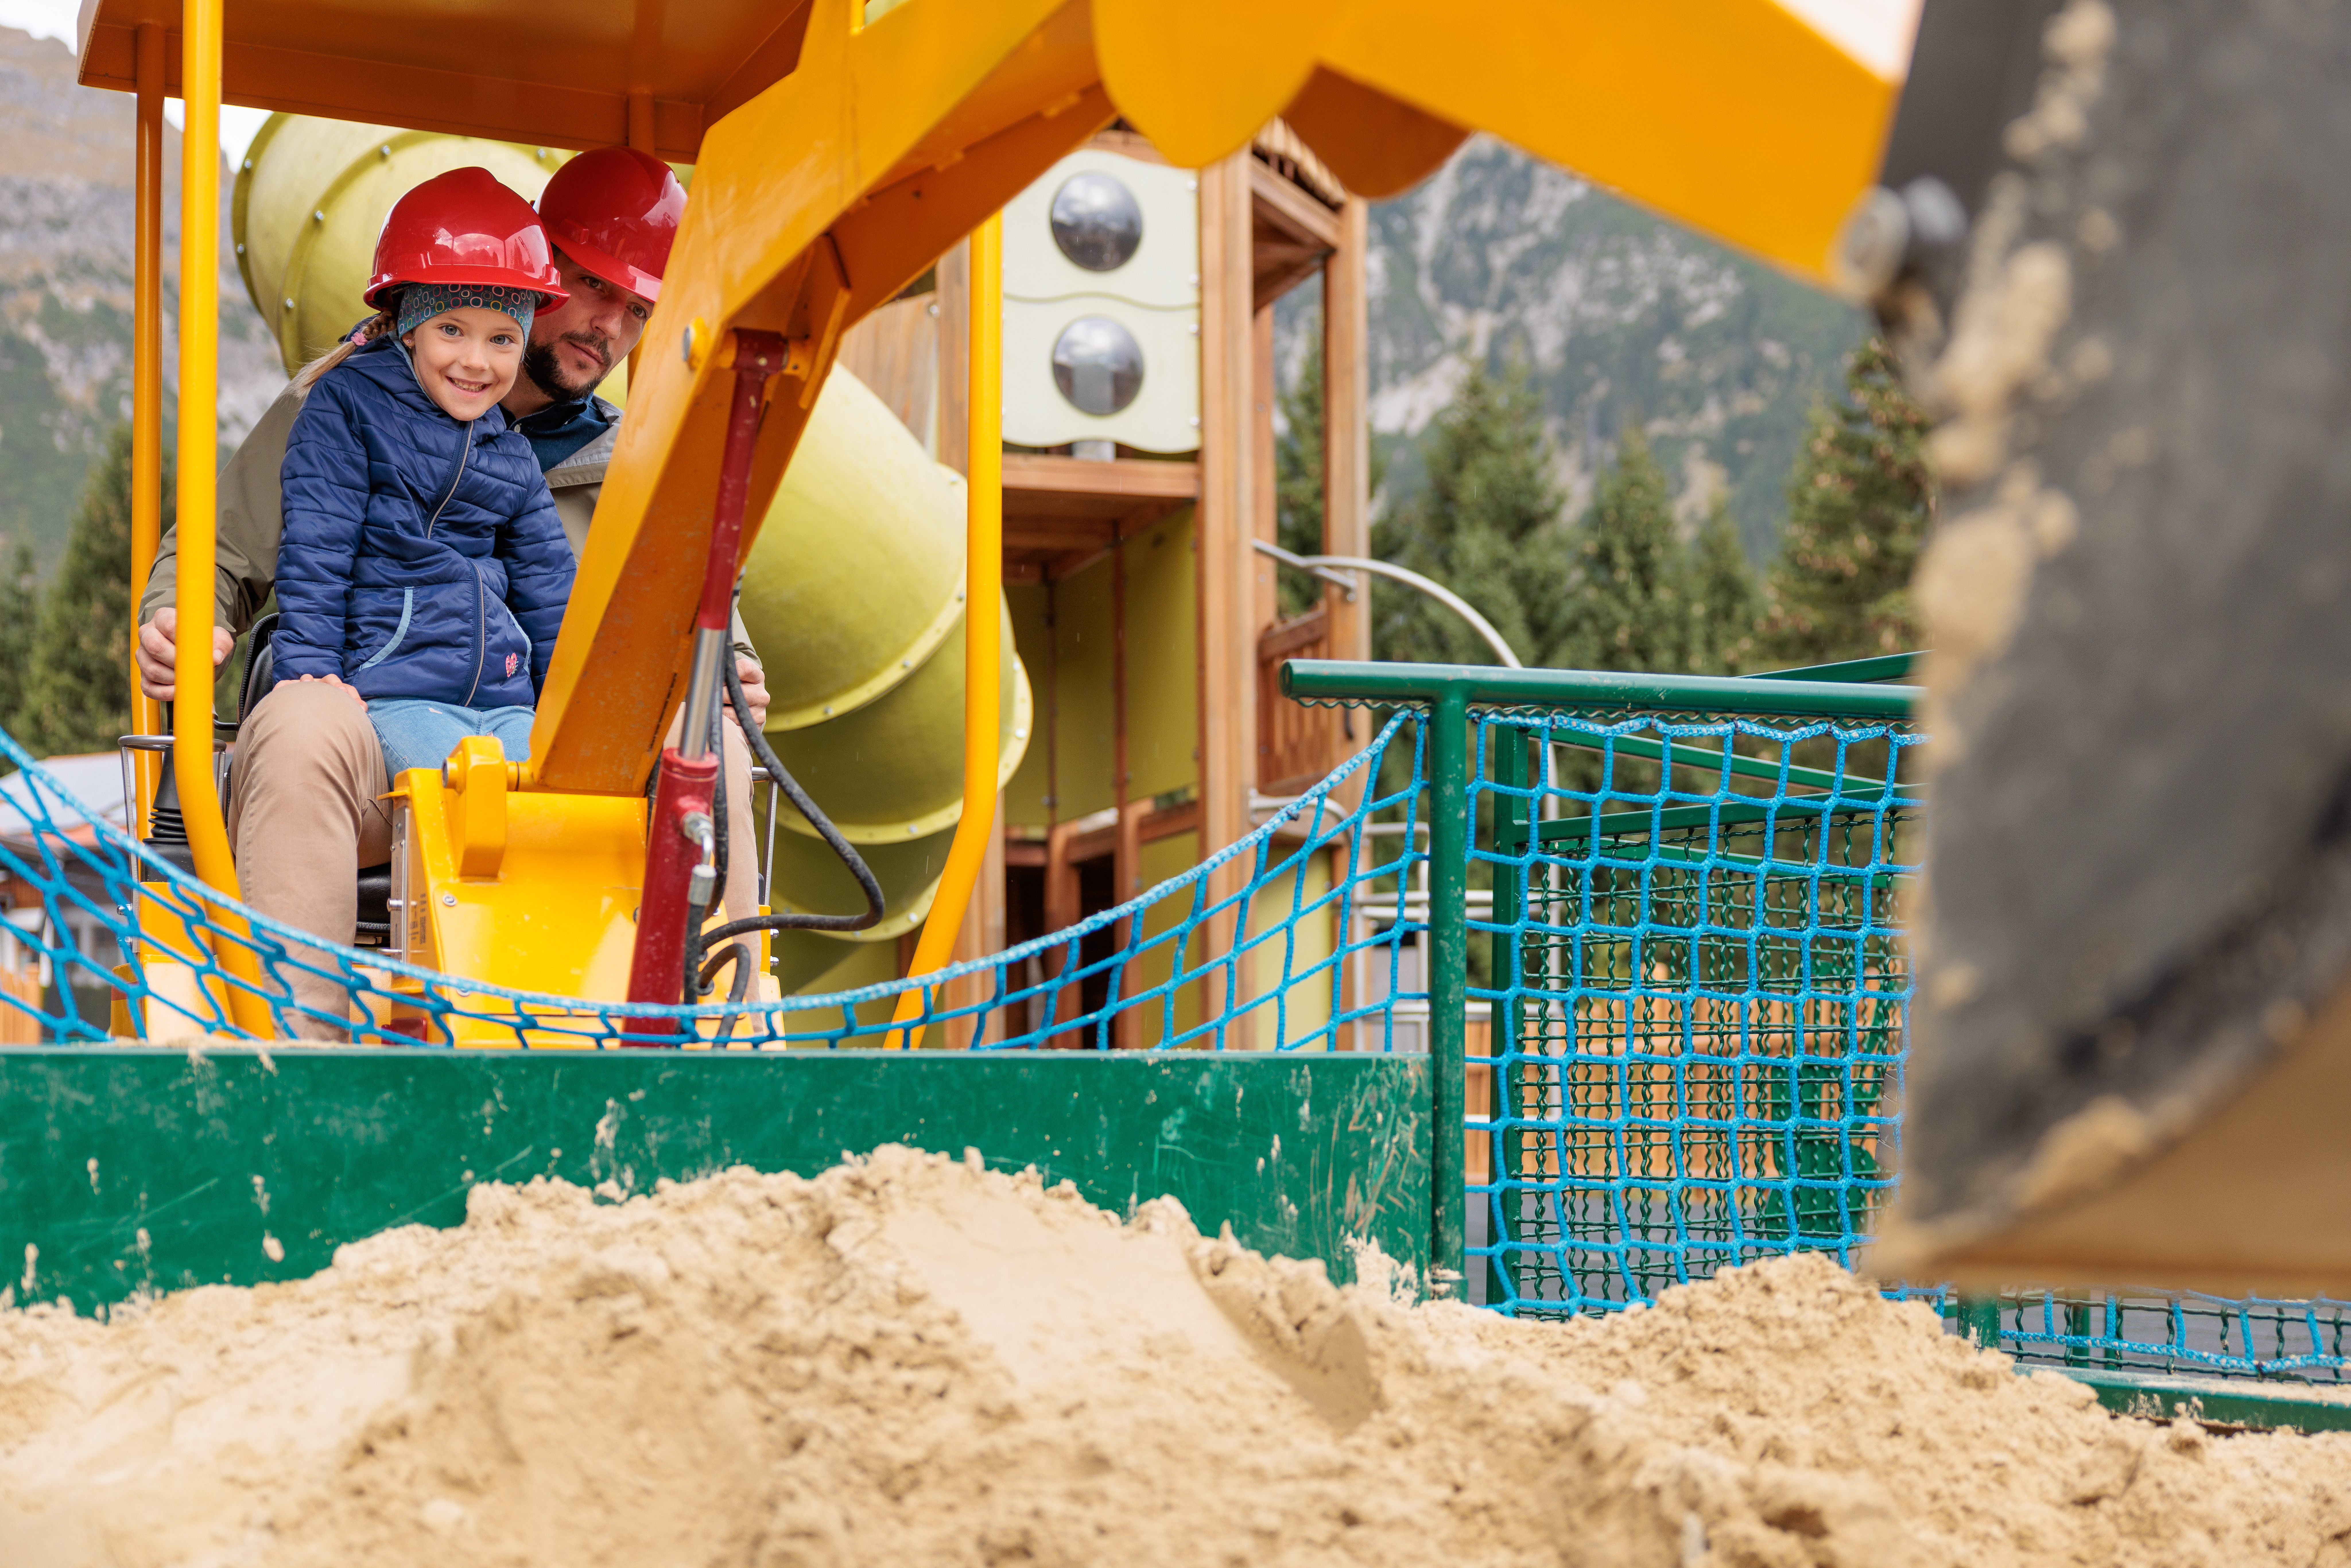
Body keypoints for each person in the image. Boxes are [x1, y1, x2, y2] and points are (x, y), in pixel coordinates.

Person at [135, 146, 766, 1035]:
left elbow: (703, 612)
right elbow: (219, 550)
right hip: (378, 736)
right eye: (591, 285)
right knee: (297, 716)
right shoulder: (346, 405)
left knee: (710, 734)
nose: (608, 325)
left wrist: (732, 668)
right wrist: (182, 614)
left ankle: (718, 1041)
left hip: (542, 747)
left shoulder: (638, 465)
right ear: (537, 267)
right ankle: (299, 1061)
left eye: (636, 307)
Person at [273, 168, 575, 787]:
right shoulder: (350, 409)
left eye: (501, 339)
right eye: (451, 330)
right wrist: (311, 674)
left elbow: (551, 592)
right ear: (410, 327)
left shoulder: (510, 454)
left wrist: (573, 705)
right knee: (462, 800)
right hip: (393, 686)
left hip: (504, 699)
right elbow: (318, 547)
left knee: (555, 794)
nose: (475, 360)